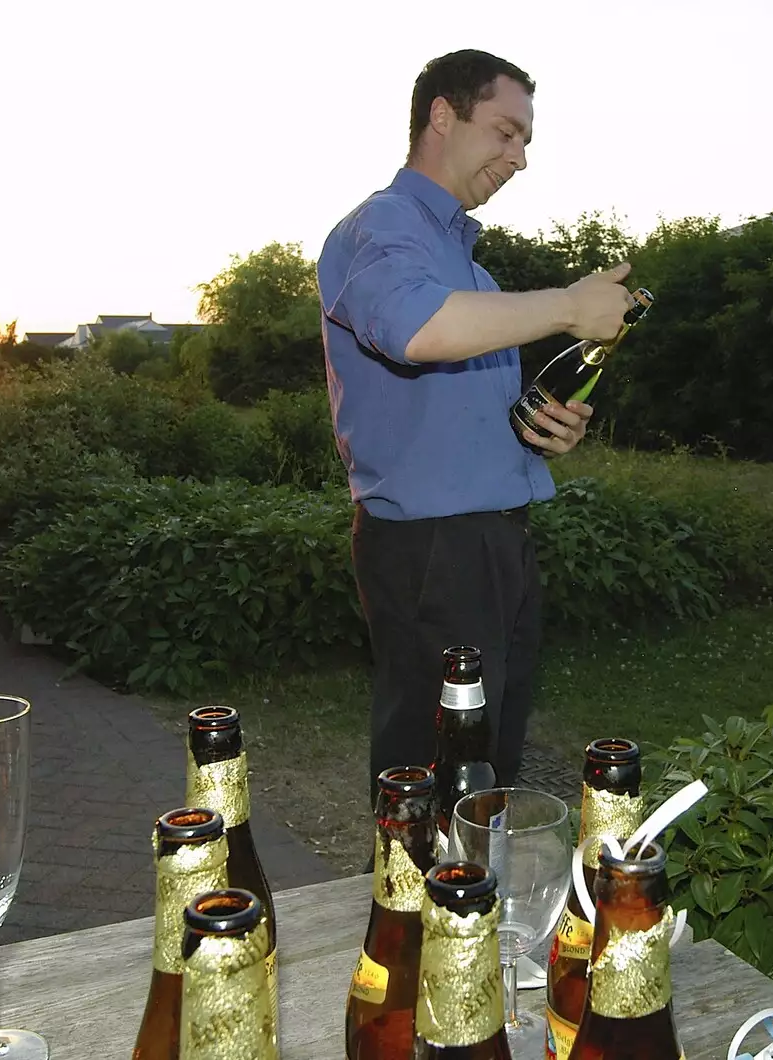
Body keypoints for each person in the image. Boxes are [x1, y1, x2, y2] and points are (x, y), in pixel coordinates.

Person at [315, 49, 638, 808]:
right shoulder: (384, 225)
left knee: (483, 771)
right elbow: (415, 329)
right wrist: (567, 303)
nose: (518, 159)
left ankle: (462, 917)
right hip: (433, 550)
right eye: (504, 132)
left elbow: (448, 393)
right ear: (441, 114)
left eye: (525, 143)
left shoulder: (473, 269)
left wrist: (539, 426)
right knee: (433, 777)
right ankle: (413, 919)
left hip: (493, 542)